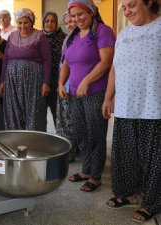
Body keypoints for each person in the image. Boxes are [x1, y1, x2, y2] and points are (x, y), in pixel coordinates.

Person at [103, 0, 161, 222]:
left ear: (149, 3)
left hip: (154, 106)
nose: (127, 11)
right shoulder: (125, 34)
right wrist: (108, 97)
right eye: (124, 7)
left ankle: (152, 202)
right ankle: (128, 194)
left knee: (153, 158)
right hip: (126, 105)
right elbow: (115, 68)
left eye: (132, 5)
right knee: (125, 154)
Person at [58, 0, 116, 192]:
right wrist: (60, 83)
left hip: (95, 92)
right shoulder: (73, 35)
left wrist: (87, 81)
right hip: (75, 93)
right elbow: (66, 63)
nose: (77, 19)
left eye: (80, 14)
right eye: (73, 16)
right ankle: (86, 169)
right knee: (81, 133)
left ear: (91, 12)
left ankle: (95, 175)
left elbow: (107, 62)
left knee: (95, 134)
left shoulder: (102, 31)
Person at [0, 8, 52, 131]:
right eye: (20, 23)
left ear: (32, 22)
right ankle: (17, 143)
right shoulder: (12, 36)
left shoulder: (40, 36)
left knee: (33, 112)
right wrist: (2, 81)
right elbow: (6, 59)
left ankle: (34, 144)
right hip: (12, 82)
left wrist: (46, 83)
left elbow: (47, 61)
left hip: (33, 82)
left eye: (26, 22)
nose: (22, 26)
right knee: (14, 112)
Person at [55, 11, 78, 162]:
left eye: (72, 21)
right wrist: (60, 83)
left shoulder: (81, 38)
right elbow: (63, 64)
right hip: (64, 84)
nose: (70, 25)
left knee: (71, 121)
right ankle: (65, 151)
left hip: (75, 86)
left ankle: (71, 152)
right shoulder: (67, 39)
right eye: (68, 22)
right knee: (62, 120)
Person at [42, 11, 66, 126]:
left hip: (59, 79)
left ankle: (61, 140)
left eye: (52, 21)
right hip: (41, 80)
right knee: (39, 114)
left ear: (56, 23)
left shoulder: (64, 38)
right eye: (47, 21)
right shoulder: (38, 38)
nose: (49, 24)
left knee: (58, 113)